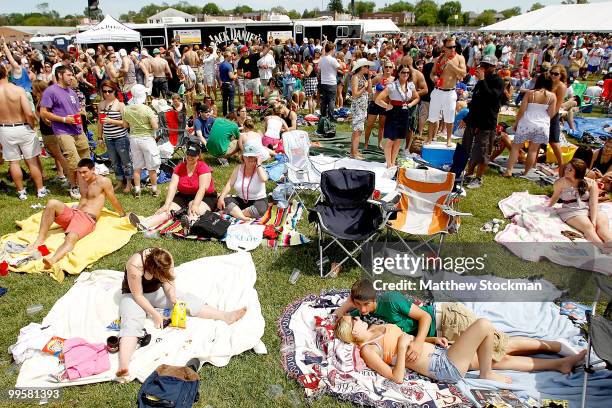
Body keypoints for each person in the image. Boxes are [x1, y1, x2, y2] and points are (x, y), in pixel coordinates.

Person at [335, 280, 585, 370]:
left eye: (361, 306)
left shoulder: (390, 299)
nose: (360, 312)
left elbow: (426, 318)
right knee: (497, 356)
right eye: (357, 308)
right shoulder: (367, 314)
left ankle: (554, 346)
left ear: (372, 299)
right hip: (440, 339)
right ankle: (557, 362)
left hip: (448, 320)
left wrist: (421, 341)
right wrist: (349, 303)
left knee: (501, 346)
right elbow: (341, 314)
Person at [335, 315, 585, 385]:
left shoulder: (379, 328)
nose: (357, 319)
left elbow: (410, 339)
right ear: (353, 334)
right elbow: (396, 378)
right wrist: (401, 349)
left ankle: (559, 363)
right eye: (353, 321)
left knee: (502, 357)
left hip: (441, 354)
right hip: (442, 367)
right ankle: (486, 374)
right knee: (484, 325)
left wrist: (433, 340)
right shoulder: (368, 349)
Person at [116, 247, 247, 378]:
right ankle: (123, 365)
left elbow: (168, 281)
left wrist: (172, 296)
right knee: (131, 322)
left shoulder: (165, 257)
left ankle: (225, 316)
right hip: (133, 295)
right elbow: (138, 295)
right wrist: (155, 315)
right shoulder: (135, 264)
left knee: (185, 300)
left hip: (155, 292)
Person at [27, 158, 126, 268]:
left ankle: (52, 259)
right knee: (52, 203)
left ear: (93, 169)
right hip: (74, 213)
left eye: (85, 172)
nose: (82, 175)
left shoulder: (103, 181)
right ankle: (39, 239)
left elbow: (113, 200)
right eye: (80, 172)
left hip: (87, 218)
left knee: (71, 237)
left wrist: (122, 214)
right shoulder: (82, 179)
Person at [130, 144, 218, 231]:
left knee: (193, 209)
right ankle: (144, 224)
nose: (190, 157)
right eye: (188, 154)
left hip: (205, 196)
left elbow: (202, 188)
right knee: (168, 210)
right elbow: (172, 186)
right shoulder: (180, 167)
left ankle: (190, 224)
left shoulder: (203, 167)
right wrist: (166, 204)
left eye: (193, 155)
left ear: (198, 156)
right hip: (184, 195)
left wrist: (195, 204)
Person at [40, 65, 89, 200]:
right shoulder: (51, 91)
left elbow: (75, 109)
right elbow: (43, 112)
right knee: (73, 159)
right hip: (62, 131)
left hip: (78, 129)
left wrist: (81, 112)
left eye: (72, 75)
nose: (71, 77)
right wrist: (63, 119)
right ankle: (74, 186)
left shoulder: (71, 92)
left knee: (85, 158)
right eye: (69, 75)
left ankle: (84, 184)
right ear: (60, 75)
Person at [0, 64, 47, 200]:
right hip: (22, 126)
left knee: (13, 162)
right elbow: (28, 112)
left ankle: (21, 192)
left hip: (5, 128)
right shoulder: (18, 90)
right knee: (31, 160)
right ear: (5, 73)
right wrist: (31, 125)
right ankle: (40, 189)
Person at [548, 158, 611, 252]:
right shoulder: (560, 182)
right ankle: (603, 248)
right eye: (566, 168)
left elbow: (593, 203)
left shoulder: (591, 183)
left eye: (570, 170)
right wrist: (548, 206)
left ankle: (609, 242)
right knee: (588, 227)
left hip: (589, 208)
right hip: (571, 210)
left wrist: (593, 220)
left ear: (578, 172)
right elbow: (555, 197)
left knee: (601, 226)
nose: (566, 171)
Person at [461, 55, 505, 189]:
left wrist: (482, 80)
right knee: (469, 148)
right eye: (482, 65)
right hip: (474, 120)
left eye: (486, 66)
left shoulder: (498, 81)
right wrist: (467, 119)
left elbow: (492, 97)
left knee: (482, 151)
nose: (483, 68)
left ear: (493, 67)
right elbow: (475, 102)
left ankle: (478, 178)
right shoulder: (481, 81)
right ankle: (468, 173)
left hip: (487, 122)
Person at [504, 74, 557, 178]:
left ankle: (509, 170)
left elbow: (521, 110)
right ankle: (525, 172)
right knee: (533, 150)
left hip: (527, 122)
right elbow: (551, 114)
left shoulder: (530, 93)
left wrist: (516, 123)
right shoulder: (552, 96)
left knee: (515, 147)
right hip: (542, 125)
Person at [375, 65, 420, 168]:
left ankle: (393, 162)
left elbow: (417, 98)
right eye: (403, 72)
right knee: (391, 139)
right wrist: (387, 106)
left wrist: (410, 104)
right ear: (398, 73)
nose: (405, 74)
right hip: (393, 112)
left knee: (399, 139)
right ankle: (388, 163)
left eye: (408, 73)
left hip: (404, 112)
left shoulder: (410, 85)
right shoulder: (392, 85)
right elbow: (378, 99)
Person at [122, 84, 160, 198]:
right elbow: (155, 126)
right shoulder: (147, 109)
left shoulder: (126, 109)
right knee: (151, 166)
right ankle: (154, 190)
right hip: (147, 139)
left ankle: (137, 190)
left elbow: (125, 125)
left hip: (134, 139)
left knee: (137, 167)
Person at [427, 38, 467, 146]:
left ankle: (448, 140)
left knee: (450, 118)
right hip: (438, 90)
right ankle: (429, 138)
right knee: (432, 117)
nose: (453, 49)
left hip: (450, 92)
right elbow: (432, 73)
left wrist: (453, 66)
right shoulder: (439, 59)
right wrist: (434, 78)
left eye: (454, 46)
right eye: (450, 47)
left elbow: (464, 73)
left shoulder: (459, 58)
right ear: (444, 48)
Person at [97, 80, 133, 193]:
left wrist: (111, 121)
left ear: (114, 91)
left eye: (110, 91)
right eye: (104, 91)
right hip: (108, 138)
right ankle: (119, 181)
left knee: (126, 161)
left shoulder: (120, 105)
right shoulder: (101, 105)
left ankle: (129, 183)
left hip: (121, 138)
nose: (107, 93)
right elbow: (99, 122)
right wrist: (99, 137)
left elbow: (126, 124)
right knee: (114, 162)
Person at [217, 144, 269, 221]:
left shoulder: (259, 168)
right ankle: (242, 217)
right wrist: (221, 197)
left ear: (257, 157)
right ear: (243, 157)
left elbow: (264, 179)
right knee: (224, 200)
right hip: (241, 199)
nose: (250, 158)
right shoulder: (238, 168)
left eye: (253, 156)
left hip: (258, 200)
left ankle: (235, 213)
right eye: (247, 156)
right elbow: (229, 184)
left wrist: (259, 164)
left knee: (260, 209)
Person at [350, 58, 373, 159]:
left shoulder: (363, 77)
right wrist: (364, 87)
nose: (368, 68)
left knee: (359, 129)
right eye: (366, 66)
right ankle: (354, 153)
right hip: (358, 107)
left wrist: (369, 79)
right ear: (361, 67)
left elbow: (369, 91)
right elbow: (355, 94)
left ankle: (354, 151)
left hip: (363, 106)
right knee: (357, 130)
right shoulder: (355, 77)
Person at [550, 65, 568, 177]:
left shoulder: (561, 86)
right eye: (551, 73)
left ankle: (562, 164)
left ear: (561, 75)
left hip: (552, 116)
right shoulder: (549, 83)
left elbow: (558, 105)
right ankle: (532, 164)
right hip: (543, 114)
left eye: (556, 74)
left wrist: (550, 117)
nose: (553, 75)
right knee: (538, 141)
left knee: (554, 142)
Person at [319, 42, 340, 121]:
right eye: (334, 49)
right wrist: (340, 62)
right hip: (331, 82)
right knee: (331, 100)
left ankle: (323, 116)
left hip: (323, 82)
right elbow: (339, 68)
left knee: (324, 101)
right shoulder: (333, 60)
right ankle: (331, 117)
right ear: (332, 49)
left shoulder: (321, 59)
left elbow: (319, 69)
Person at [219, 51, 236, 116]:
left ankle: (225, 114)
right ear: (226, 56)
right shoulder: (229, 65)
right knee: (231, 100)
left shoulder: (221, 65)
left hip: (223, 84)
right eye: (230, 56)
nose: (231, 57)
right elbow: (231, 77)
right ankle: (231, 114)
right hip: (229, 84)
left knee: (224, 101)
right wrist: (236, 74)